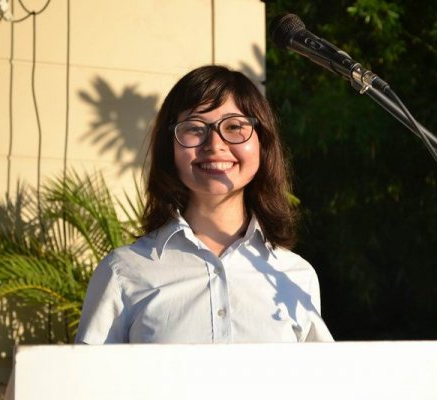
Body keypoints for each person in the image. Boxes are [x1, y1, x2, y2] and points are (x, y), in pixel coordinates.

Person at [75, 65, 333, 344]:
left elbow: (316, 383)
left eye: (235, 127)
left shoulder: (295, 275)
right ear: (170, 148)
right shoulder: (124, 272)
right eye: (195, 128)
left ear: (263, 143)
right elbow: (89, 384)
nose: (214, 144)